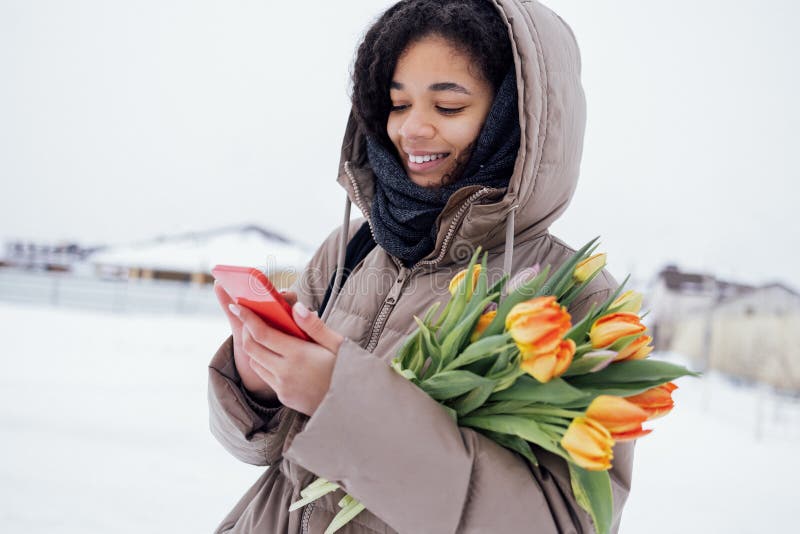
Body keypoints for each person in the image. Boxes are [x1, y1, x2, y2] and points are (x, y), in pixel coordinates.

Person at [208, 0, 634, 532]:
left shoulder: (578, 300)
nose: (411, 130)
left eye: (448, 107)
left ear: (517, 118)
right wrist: (259, 384)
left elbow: (559, 523)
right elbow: (268, 452)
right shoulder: (351, 247)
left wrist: (347, 403)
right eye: (397, 103)